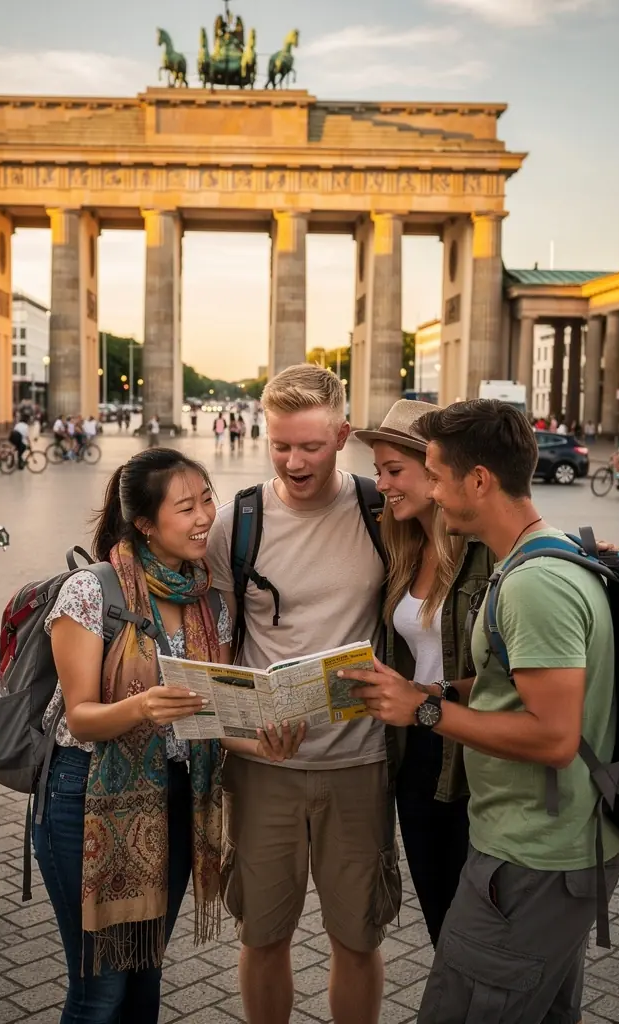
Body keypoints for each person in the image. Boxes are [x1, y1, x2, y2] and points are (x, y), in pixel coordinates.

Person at [341, 400, 619, 1024]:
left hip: (530, 857)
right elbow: (508, 686)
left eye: (435, 476)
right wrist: (437, 693)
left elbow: (553, 737)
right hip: (545, 849)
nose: (430, 492)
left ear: (478, 481)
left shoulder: (532, 583)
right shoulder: (535, 558)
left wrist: (423, 714)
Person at [36, 449, 300, 1022]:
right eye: (186, 507)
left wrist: (264, 743)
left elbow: (217, 716)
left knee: (145, 974)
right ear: (146, 524)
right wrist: (141, 707)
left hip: (174, 800)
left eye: (208, 499)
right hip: (84, 799)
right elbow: (79, 718)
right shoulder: (90, 592)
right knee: (99, 989)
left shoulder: (209, 603)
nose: (206, 516)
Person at [206, 365, 401, 1024]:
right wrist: (240, 729)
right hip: (263, 768)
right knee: (261, 936)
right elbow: (214, 646)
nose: (293, 461)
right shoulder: (239, 520)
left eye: (311, 446)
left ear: (342, 435)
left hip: (359, 762)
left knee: (357, 938)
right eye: (280, 444)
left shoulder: (383, 511)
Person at [351, 400, 494, 948]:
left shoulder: (487, 553)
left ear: (436, 472)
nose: (382, 485)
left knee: (480, 928)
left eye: (395, 471)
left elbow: (512, 674)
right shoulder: (402, 547)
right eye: (377, 471)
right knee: (442, 921)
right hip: (416, 755)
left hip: (474, 753)